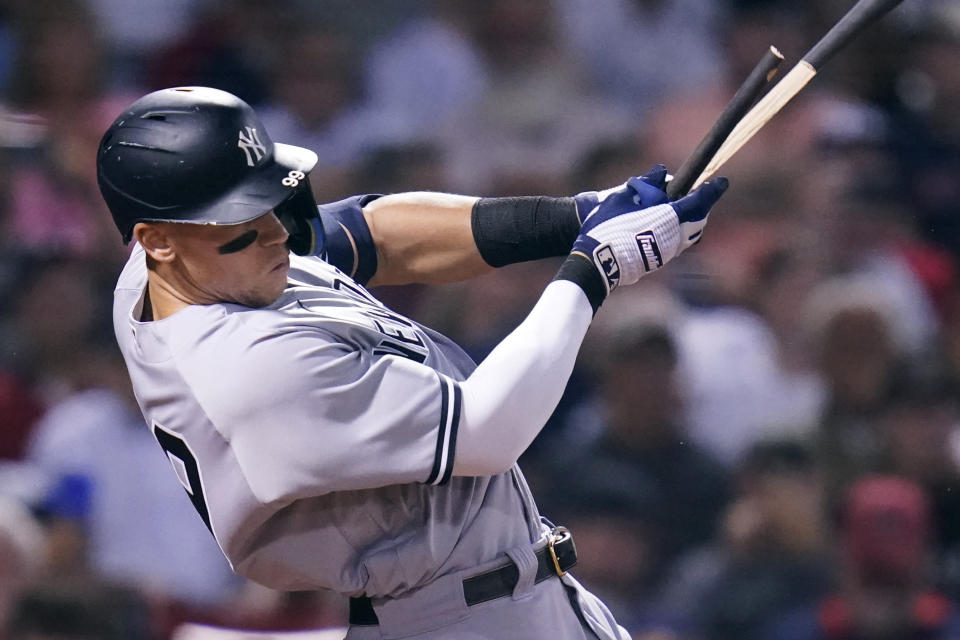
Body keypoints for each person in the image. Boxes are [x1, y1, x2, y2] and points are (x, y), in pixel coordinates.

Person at [96, 86, 728, 639]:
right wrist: (597, 266)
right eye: (241, 222)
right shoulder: (250, 373)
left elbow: (365, 232)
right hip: (453, 620)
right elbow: (488, 431)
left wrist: (572, 217)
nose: (278, 235)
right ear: (157, 240)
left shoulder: (177, 266)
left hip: (514, 596)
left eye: (269, 205)